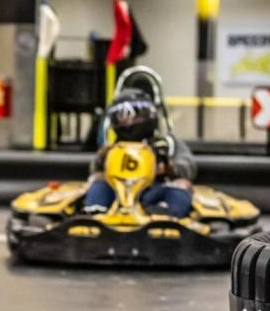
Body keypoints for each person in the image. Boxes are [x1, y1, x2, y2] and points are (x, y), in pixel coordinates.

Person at [82, 88, 196, 217]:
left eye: (135, 116)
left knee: (180, 189)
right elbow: (94, 170)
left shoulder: (167, 144)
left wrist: (170, 168)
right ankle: (96, 212)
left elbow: (189, 165)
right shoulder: (112, 148)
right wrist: (102, 163)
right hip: (118, 194)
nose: (129, 122)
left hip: (155, 191)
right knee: (99, 186)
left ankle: (165, 214)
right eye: (122, 117)